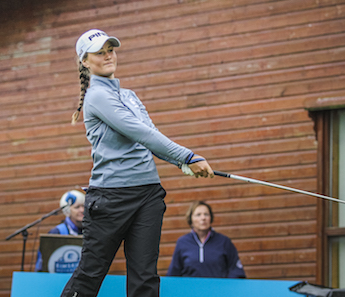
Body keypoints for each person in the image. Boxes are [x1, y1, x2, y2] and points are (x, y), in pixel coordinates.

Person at [60, 29, 214, 297]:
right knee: (90, 274)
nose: (108, 56)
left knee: (145, 278)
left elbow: (151, 137)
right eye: (100, 52)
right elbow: (139, 132)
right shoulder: (97, 97)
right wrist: (187, 156)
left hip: (148, 195)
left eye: (111, 50)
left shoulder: (129, 95)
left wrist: (182, 164)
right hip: (111, 198)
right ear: (85, 61)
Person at [167, 201, 246, 278]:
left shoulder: (224, 242)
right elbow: (174, 273)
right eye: (198, 215)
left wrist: (226, 288)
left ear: (210, 218)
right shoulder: (182, 242)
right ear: (191, 219)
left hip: (218, 290)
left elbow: (236, 271)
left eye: (206, 214)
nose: (203, 218)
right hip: (191, 290)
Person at [35, 189, 85, 272]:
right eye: (77, 207)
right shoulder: (57, 232)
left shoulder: (92, 231)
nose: (82, 210)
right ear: (67, 211)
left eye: (84, 206)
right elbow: (42, 265)